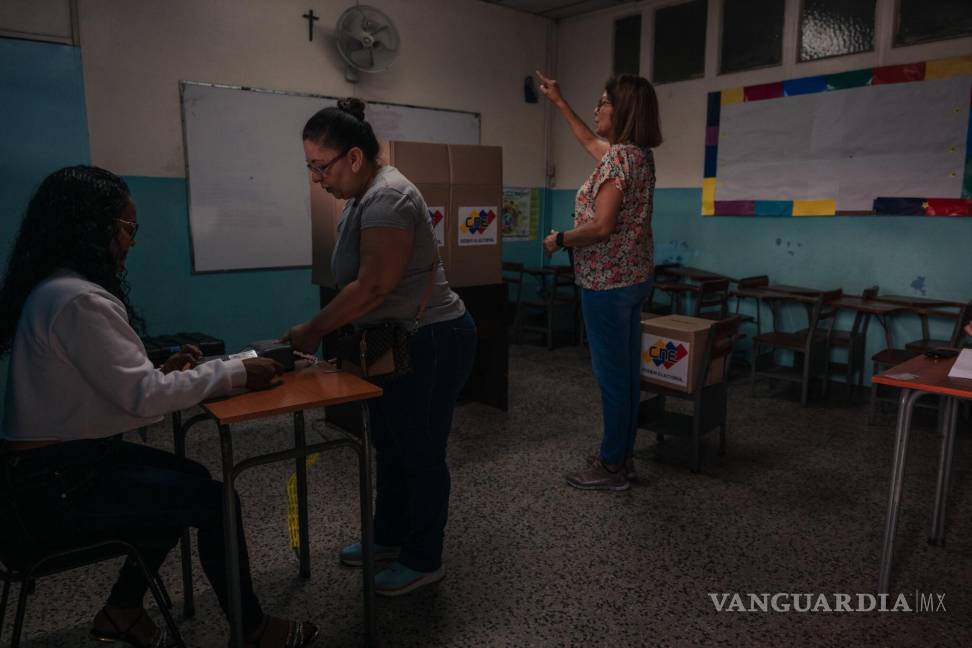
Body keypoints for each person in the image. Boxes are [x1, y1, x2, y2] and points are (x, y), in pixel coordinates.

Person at [0, 166, 318, 648]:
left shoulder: (55, 290)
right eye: (127, 227)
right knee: (213, 501)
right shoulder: (79, 300)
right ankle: (252, 630)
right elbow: (142, 398)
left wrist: (162, 373)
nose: (131, 241)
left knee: (185, 483)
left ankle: (123, 611)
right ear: (92, 225)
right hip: (54, 490)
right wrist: (235, 372)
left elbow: (109, 391)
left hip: (44, 476)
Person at [285, 98, 477, 596]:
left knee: (420, 451)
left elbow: (372, 287)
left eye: (319, 166)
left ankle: (423, 557)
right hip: (395, 338)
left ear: (353, 157)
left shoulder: (390, 197)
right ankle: (389, 536)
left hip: (431, 338)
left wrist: (311, 330)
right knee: (390, 444)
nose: (315, 178)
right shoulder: (361, 197)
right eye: (309, 166)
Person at [536, 71, 662, 491]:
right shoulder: (637, 156)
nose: (597, 109)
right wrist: (558, 101)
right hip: (633, 279)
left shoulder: (619, 160)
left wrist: (560, 239)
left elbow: (602, 226)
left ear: (622, 110)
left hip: (606, 284)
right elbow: (591, 142)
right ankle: (621, 459)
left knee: (612, 378)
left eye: (604, 102)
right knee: (626, 376)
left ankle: (610, 466)